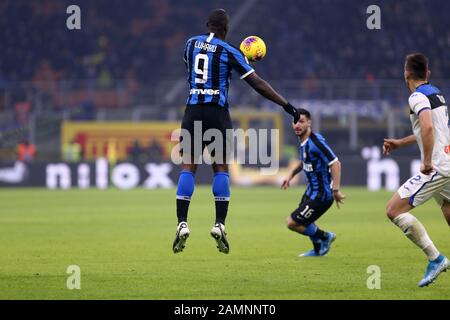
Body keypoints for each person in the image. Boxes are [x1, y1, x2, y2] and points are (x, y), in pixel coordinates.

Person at [173, 9, 300, 254]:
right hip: (217, 113)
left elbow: (190, 66)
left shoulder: (190, 44)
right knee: (221, 168)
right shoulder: (231, 51)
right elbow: (258, 84)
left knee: (188, 166)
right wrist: (287, 106)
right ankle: (219, 225)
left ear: (207, 25)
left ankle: (182, 223)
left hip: (193, 110)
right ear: (226, 29)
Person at [383, 53, 449, 287]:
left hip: (438, 167)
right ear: (427, 73)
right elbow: (432, 130)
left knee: (393, 210)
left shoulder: (417, 96)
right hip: (448, 162)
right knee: (449, 211)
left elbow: (428, 127)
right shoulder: (437, 93)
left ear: (406, 73)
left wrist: (427, 162)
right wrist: (401, 142)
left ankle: (436, 258)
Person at [281, 108, 345, 257]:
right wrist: (290, 175)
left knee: (292, 222)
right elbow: (304, 162)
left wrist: (335, 190)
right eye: (295, 121)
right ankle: (318, 250)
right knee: (306, 220)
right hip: (311, 192)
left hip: (321, 195)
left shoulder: (315, 142)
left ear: (309, 122)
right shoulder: (304, 142)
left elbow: (335, 163)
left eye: (301, 121)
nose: (297, 125)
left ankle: (325, 237)